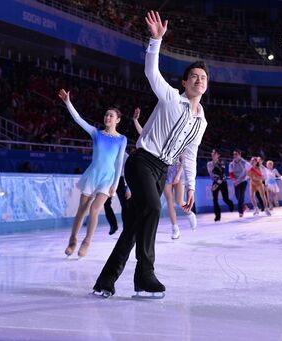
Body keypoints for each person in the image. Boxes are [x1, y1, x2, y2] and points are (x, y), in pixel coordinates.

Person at [93, 11, 208, 298]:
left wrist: (191, 186)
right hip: (142, 161)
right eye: (193, 76)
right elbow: (150, 72)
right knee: (154, 210)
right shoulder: (170, 97)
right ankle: (145, 274)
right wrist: (155, 41)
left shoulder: (201, 121)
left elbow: (190, 154)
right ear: (184, 83)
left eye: (203, 77)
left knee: (133, 227)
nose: (198, 79)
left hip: (162, 171)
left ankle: (105, 281)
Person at [58, 89, 127, 258]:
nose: (107, 117)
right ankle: (73, 240)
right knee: (82, 209)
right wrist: (68, 102)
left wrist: (115, 183)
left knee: (95, 209)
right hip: (93, 174)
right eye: (106, 115)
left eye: (111, 116)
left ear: (117, 120)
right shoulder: (96, 133)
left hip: (108, 177)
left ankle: (87, 242)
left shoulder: (121, 139)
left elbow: (119, 163)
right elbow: (78, 119)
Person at [133, 107, 197, 238]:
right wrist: (135, 121)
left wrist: (179, 175)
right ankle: (175, 228)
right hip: (166, 171)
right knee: (169, 200)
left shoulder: (182, 136)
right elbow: (144, 134)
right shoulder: (162, 135)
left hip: (178, 171)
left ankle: (190, 213)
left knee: (179, 201)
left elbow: (185, 159)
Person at [103, 151, 131, 235]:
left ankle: (126, 227)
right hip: (108, 179)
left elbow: (129, 172)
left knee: (125, 204)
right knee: (106, 203)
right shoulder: (108, 152)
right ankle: (113, 225)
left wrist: (129, 189)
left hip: (120, 179)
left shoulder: (125, 155)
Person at [207, 149, 234, 222]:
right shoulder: (209, 164)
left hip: (223, 182)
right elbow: (211, 173)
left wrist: (219, 180)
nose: (213, 154)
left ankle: (230, 204)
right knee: (214, 200)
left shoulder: (221, 163)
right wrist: (217, 181)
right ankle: (217, 216)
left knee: (225, 199)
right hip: (215, 182)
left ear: (218, 155)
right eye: (212, 153)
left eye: (215, 153)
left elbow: (223, 174)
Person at [229, 150, 250, 217]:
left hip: (243, 181)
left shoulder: (244, 162)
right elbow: (231, 174)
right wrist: (233, 180)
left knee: (241, 195)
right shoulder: (231, 164)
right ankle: (244, 205)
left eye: (236, 154)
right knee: (237, 196)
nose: (235, 156)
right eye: (234, 154)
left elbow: (251, 169)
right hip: (236, 182)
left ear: (240, 155)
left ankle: (240, 212)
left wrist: (258, 175)